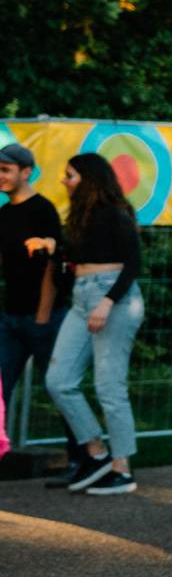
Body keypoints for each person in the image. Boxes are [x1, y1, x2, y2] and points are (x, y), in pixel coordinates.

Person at [44, 153, 146, 495]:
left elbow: (133, 264)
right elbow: (72, 259)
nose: (64, 181)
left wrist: (107, 302)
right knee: (58, 380)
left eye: (70, 176)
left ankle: (122, 468)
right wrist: (52, 248)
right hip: (82, 297)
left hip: (112, 296)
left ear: (88, 180)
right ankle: (97, 453)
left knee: (109, 386)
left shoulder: (117, 215)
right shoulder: (79, 217)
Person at [0, 144, 62, 456]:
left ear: (26, 172)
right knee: (0, 388)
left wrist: (42, 315)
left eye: (6, 169)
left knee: (59, 388)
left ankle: (83, 456)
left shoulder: (43, 209)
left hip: (42, 316)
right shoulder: (4, 213)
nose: (0, 176)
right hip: (10, 316)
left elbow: (54, 263)